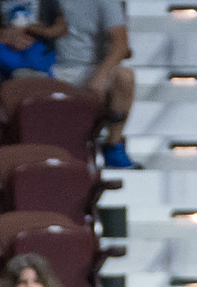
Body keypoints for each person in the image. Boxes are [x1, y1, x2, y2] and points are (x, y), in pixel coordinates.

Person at [50, 0, 137, 169]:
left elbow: (121, 45)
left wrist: (101, 75)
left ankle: (113, 145)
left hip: (91, 67)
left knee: (125, 76)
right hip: (50, 65)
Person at [0, 0, 67, 78]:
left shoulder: (47, 2)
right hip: (9, 48)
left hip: (37, 45)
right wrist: (9, 38)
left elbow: (61, 28)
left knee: (36, 56)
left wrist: (37, 30)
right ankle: (26, 72)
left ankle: (29, 73)